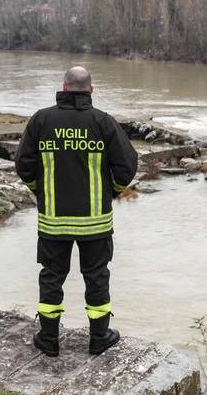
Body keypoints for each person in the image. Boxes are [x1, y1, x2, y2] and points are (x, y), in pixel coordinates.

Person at [15, 66, 138, 357]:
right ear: (91, 90)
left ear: (64, 87)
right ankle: (99, 338)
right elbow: (127, 165)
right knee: (96, 277)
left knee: (51, 276)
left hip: (53, 221)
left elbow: (23, 165)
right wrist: (111, 192)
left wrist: (40, 191)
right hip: (95, 222)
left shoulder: (41, 120)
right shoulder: (103, 122)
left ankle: (48, 339)